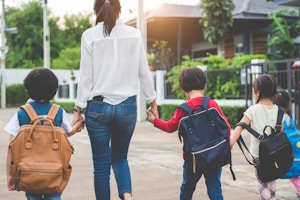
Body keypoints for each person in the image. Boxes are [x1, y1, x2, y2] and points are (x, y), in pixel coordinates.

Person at [71, 0, 158, 199]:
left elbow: (86, 76)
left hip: (98, 108)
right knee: (120, 158)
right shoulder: (134, 34)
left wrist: (78, 109)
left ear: (96, 10)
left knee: (101, 166)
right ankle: (127, 196)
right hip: (127, 106)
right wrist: (152, 102)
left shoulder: (89, 35)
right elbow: (143, 71)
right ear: (119, 9)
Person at [146, 67, 230, 200]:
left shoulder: (183, 109)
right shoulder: (212, 103)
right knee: (214, 187)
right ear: (204, 84)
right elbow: (226, 127)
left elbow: (169, 127)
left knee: (187, 188)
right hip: (214, 156)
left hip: (193, 160)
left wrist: (154, 120)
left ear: (183, 89)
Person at [5, 67, 84, 200]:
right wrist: (77, 126)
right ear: (54, 91)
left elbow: (11, 147)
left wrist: (10, 175)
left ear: (28, 89)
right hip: (55, 172)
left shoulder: (21, 113)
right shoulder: (58, 111)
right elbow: (67, 133)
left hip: (29, 173)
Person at [230, 74, 279, 200]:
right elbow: (283, 133)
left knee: (263, 182)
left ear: (257, 93)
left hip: (259, 156)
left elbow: (240, 126)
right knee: (272, 180)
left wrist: (230, 143)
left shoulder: (253, 110)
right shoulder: (279, 111)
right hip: (275, 154)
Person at [274, 89, 300, 199]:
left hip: (288, 150)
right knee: (296, 171)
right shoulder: (288, 117)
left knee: (292, 174)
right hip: (296, 149)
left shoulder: (278, 117)